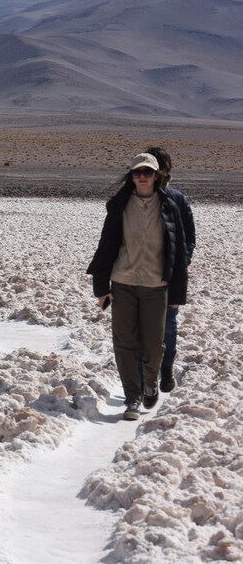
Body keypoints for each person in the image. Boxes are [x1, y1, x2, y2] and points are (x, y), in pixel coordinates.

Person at [87, 153, 188, 421]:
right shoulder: (120, 205)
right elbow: (106, 246)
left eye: (147, 172)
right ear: (131, 176)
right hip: (123, 282)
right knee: (125, 343)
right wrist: (101, 287)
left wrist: (177, 293)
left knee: (154, 344)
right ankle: (132, 398)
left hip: (156, 285)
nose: (142, 177)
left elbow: (177, 252)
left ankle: (151, 382)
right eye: (136, 173)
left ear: (157, 175)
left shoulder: (169, 206)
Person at [145, 146, 195, 393]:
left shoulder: (177, 199)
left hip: (168, 277)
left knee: (167, 326)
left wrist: (179, 267)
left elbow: (189, 239)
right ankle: (148, 378)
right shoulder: (134, 199)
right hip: (140, 276)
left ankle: (165, 373)